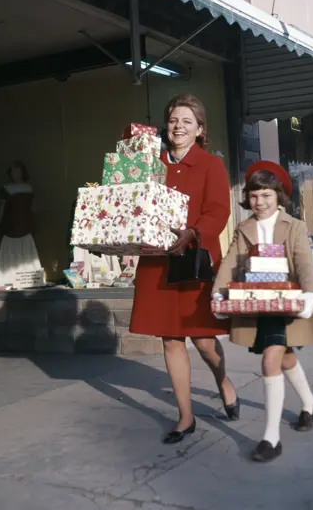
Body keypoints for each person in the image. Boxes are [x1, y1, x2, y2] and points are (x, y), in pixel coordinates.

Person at [130, 94, 239, 444]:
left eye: (186, 121)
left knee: (204, 341)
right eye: (174, 119)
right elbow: (135, 201)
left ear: (200, 129)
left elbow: (218, 211)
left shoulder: (211, 165)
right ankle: (185, 417)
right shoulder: (149, 163)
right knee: (170, 340)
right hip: (157, 261)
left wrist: (194, 233)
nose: (178, 126)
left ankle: (222, 380)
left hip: (194, 260)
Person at [214, 161, 313, 463]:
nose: (260, 202)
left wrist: (310, 294)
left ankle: (270, 438)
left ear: (278, 196)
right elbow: (230, 261)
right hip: (256, 302)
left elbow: (304, 264)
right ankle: (309, 403)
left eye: (266, 195)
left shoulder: (295, 226)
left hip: (286, 301)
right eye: (253, 196)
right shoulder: (244, 228)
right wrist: (219, 290)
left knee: (270, 360)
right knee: (286, 356)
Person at [0, 161, 43, 288]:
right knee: (10, 246)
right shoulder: (5, 188)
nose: (15, 174)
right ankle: (8, 278)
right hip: (11, 223)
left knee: (26, 247)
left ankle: (29, 279)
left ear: (22, 172)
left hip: (25, 222)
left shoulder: (29, 188)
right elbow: (2, 207)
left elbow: (34, 206)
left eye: (18, 171)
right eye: (13, 171)